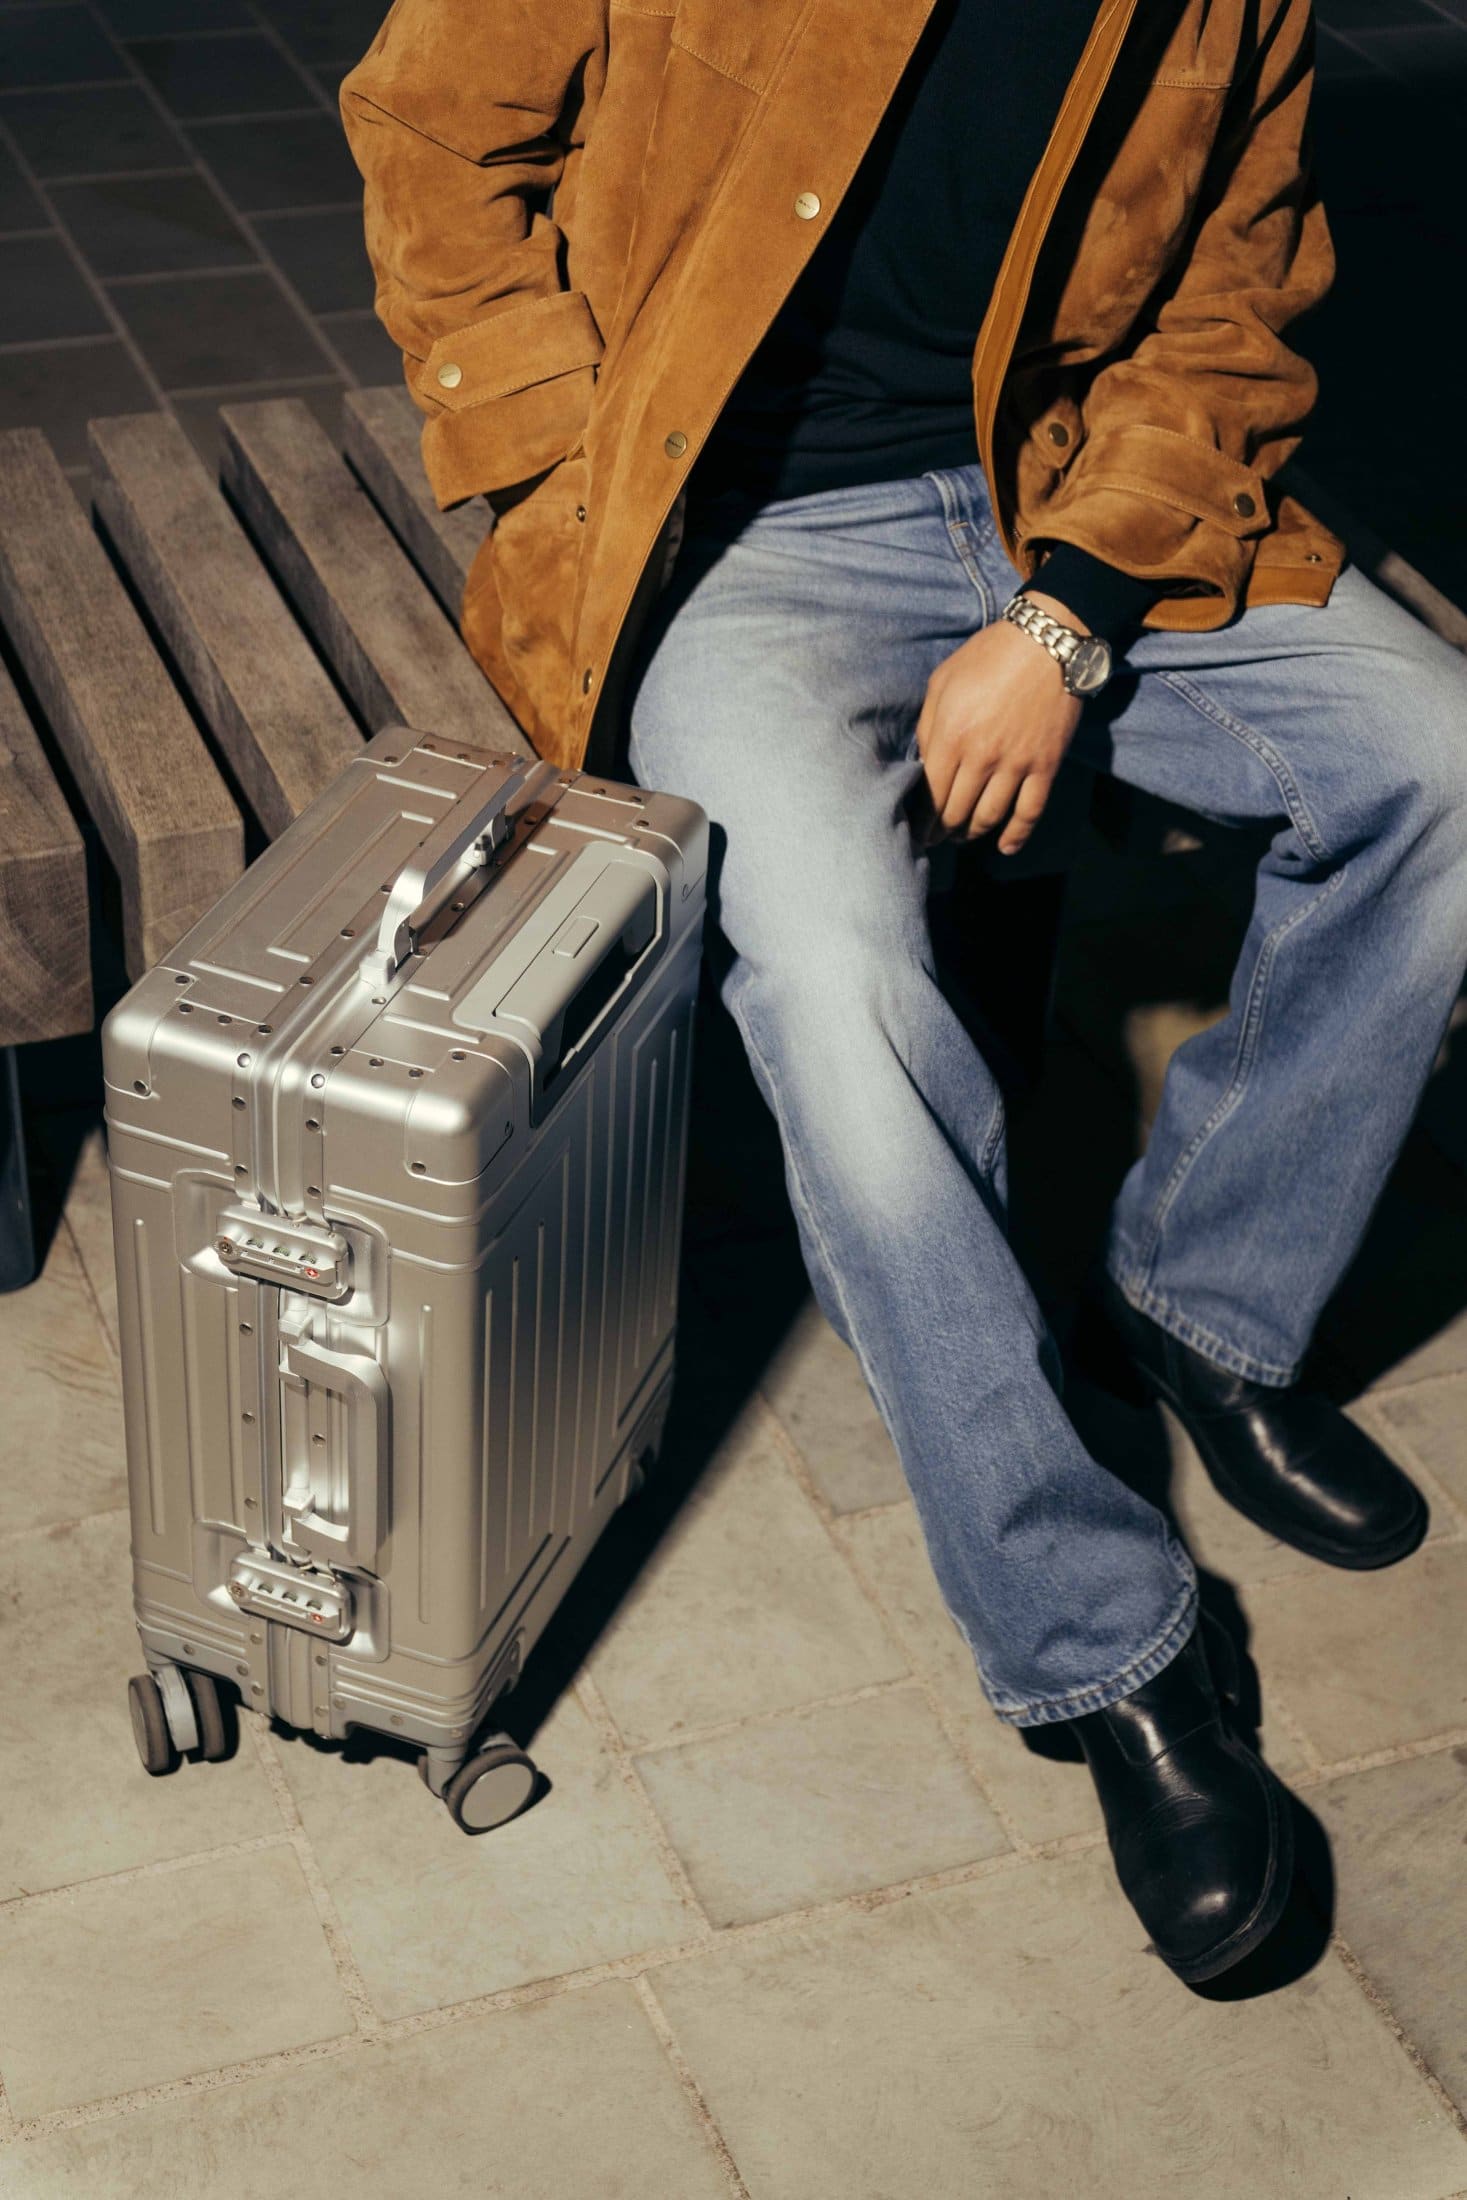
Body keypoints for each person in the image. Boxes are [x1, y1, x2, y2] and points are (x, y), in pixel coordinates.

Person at [340, 0, 1467, 1983]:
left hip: (1065, 504)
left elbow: (1226, 314)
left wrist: (1064, 617)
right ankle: (1099, 1641)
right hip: (737, 535)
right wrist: (555, 454)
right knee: (840, 972)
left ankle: (1204, 1303)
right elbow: (428, 124)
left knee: (1441, 770)